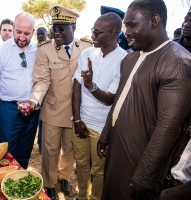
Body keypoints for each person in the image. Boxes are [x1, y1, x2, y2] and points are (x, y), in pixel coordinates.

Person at [97, 0, 191, 199]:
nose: (126, 32)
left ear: (155, 20)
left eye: (132, 25)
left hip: (140, 157)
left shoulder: (176, 61)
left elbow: (168, 126)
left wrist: (146, 174)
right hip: (117, 147)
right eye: (125, 26)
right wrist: (106, 134)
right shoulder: (130, 58)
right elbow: (118, 100)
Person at [25, 5, 93, 199]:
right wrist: (33, 100)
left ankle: (64, 177)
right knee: (50, 151)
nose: (56, 32)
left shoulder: (87, 47)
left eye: (61, 28)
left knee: (70, 149)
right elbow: (41, 80)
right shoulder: (45, 50)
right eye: (54, 27)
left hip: (78, 112)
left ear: (74, 27)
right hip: (53, 110)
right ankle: (50, 183)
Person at [72, 13, 127, 199]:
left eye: (97, 32)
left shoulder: (124, 60)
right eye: (92, 31)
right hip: (81, 121)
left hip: (103, 127)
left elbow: (110, 98)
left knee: (99, 170)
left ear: (113, 33)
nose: (93, 36)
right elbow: (76, 88)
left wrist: (91, 85)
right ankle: (81, 196)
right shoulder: (87, 53)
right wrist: (77, 119)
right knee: (80, 164)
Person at [0, 12, 38, 169]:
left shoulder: (38, 50)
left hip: (33, 108)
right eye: (18, 32)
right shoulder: (0, 51)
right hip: (9, 108)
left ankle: (22, 179)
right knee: (9, 151)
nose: (22, 37)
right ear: (13, 28)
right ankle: (8, 180)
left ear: (33, 32)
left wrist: (32, 103)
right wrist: (5, 104)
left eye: (26, 34)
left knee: (26, 149)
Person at [36, 26, 48, 151]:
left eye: (42, 34)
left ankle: (42, 143)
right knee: (39, 119)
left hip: (47, 91)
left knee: (44, 119)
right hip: (35, 90)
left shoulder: (50, 49)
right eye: (38, 34)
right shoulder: (34, 49)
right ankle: (40, 144)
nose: (40, 36)